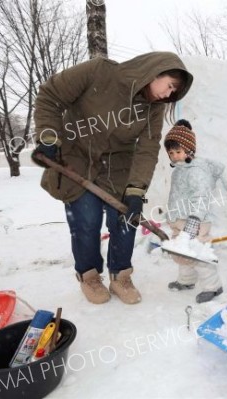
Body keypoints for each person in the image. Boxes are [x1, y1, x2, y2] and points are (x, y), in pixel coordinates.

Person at [31, 52, 193, 304]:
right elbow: (50, 95)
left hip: (118, 165)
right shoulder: (99, 72)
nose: (168, 95)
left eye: (174, 92)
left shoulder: (154, 108)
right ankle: (90, 276)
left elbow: (148, 148)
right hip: (76, 158)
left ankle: (121, 275)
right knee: (86, 220)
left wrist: (136, 190)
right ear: (155, 72)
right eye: (169, 86)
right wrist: (49, 136)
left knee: (126, 218)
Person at [162, 120, 225, 303]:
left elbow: (201, 196)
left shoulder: (197, 170)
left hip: (196, 220)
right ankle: (187, 281)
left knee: (197, 252)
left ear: (189, 150)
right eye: (171, 153)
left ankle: (214, 287)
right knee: (182, 252)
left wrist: (194, 220)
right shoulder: (179, 171)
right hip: (179, 219)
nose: (175, 156)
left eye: (178, 151)